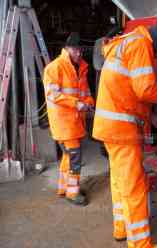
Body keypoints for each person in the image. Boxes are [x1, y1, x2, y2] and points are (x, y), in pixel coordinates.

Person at [92, 24, 157, 248]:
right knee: (134, 186)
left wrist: (150, 117)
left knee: (119, 181)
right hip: (122, 130)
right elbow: (144, 89)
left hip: (110, 126)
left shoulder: (125, 42)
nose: (156, 59)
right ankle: (141, 244)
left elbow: (129, 91)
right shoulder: (142, 45)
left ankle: (122, 228)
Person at [43, 32, 94, 206]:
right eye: (75, 49)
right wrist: (77, 104)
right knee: (75, 158)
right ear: (66, 49)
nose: (79, 53)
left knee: (68, 156)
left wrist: (88, 102)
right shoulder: (55, 67)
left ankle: (64, 188)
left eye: (80, 50)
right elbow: (53, 95)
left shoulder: (81, 68)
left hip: (74, 122)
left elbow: (85, 92)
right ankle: (73, 193)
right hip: (64, 123)